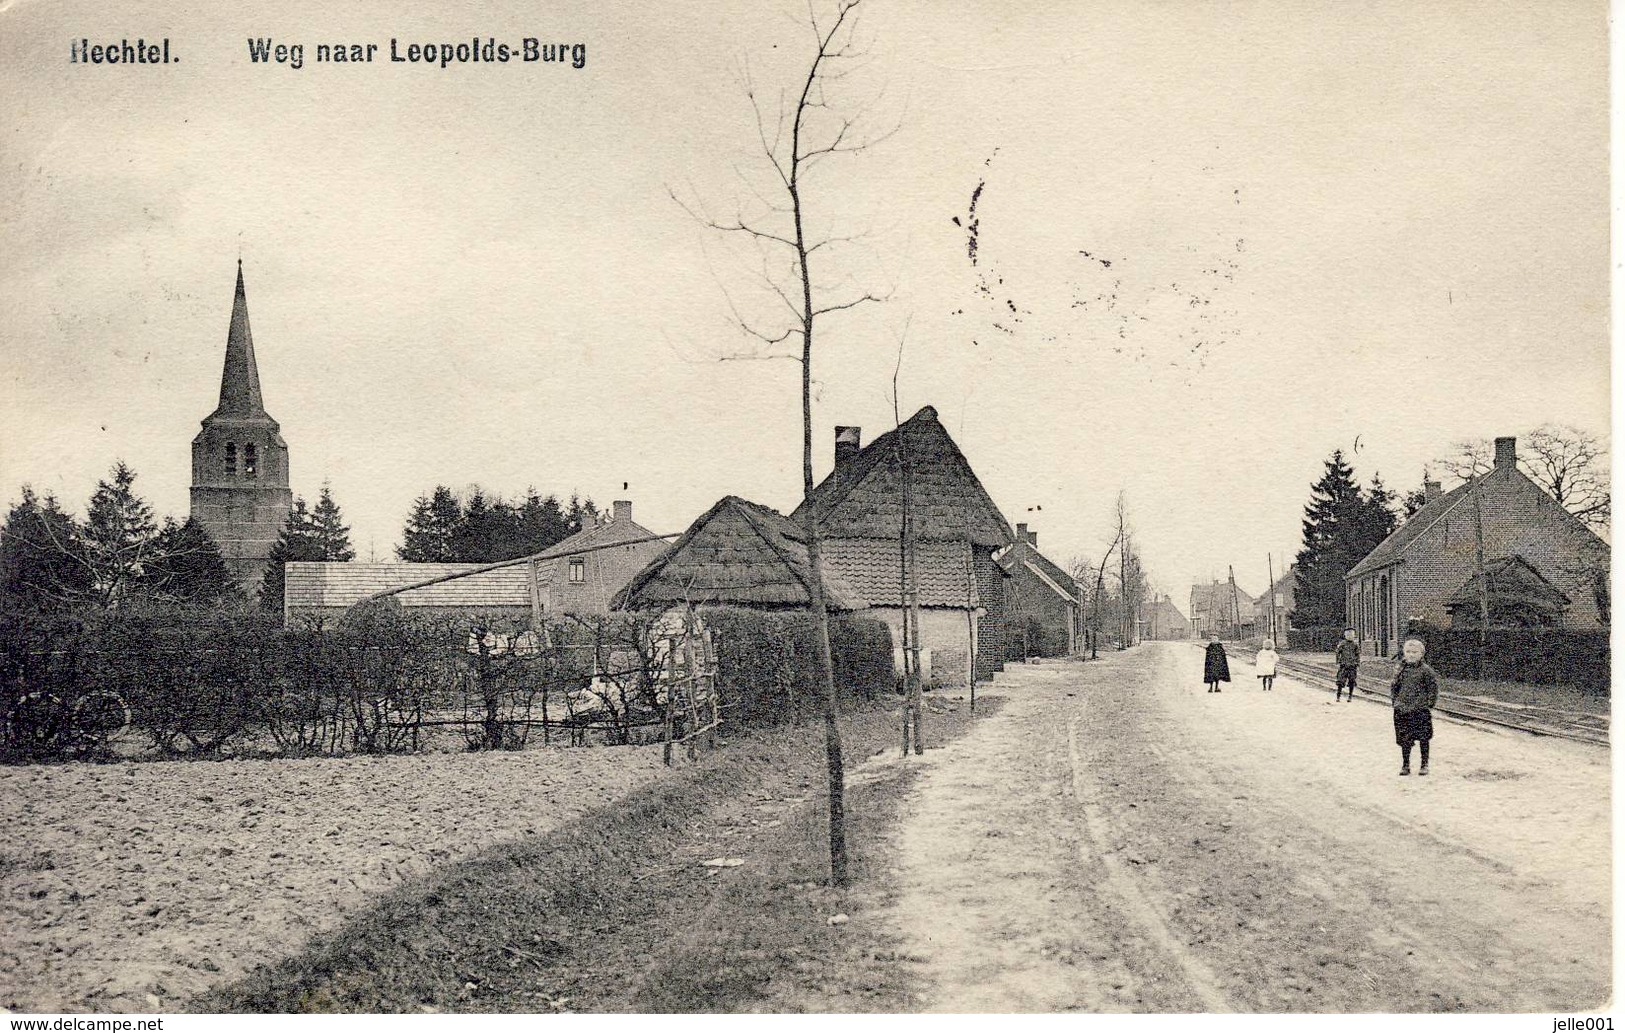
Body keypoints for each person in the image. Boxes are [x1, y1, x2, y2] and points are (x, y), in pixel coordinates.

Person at [1391, 637, 1440, 775]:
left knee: (1424, 737)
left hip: (1420, 709)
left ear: (1421, 654)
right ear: (1404, 653)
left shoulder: (1426, 671)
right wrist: (1395, 702)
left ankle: (1424, 764)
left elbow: (1433, 688)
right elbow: (1394, 686)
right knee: (1404, 739)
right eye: (1408, 651)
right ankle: (1405, 765)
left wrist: (1429, 704)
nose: (1411, 655)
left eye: (1415, 652)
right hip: (1402, 709)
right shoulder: (1400, 668)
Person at [1333, 627, 1360, 702]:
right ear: (1345, 635)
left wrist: (1357, 663)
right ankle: (1338, 697)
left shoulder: (1355, 644)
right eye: (1348, 634)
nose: (1350, 636)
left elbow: (1358, 654)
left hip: (1352, 665)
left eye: (1351, 634)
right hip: (1344, 665)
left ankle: (1350, 696)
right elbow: (1337, 652)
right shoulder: (1342, 643)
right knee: (1340, 681)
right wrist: (1338, 661)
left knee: (1352, 681)